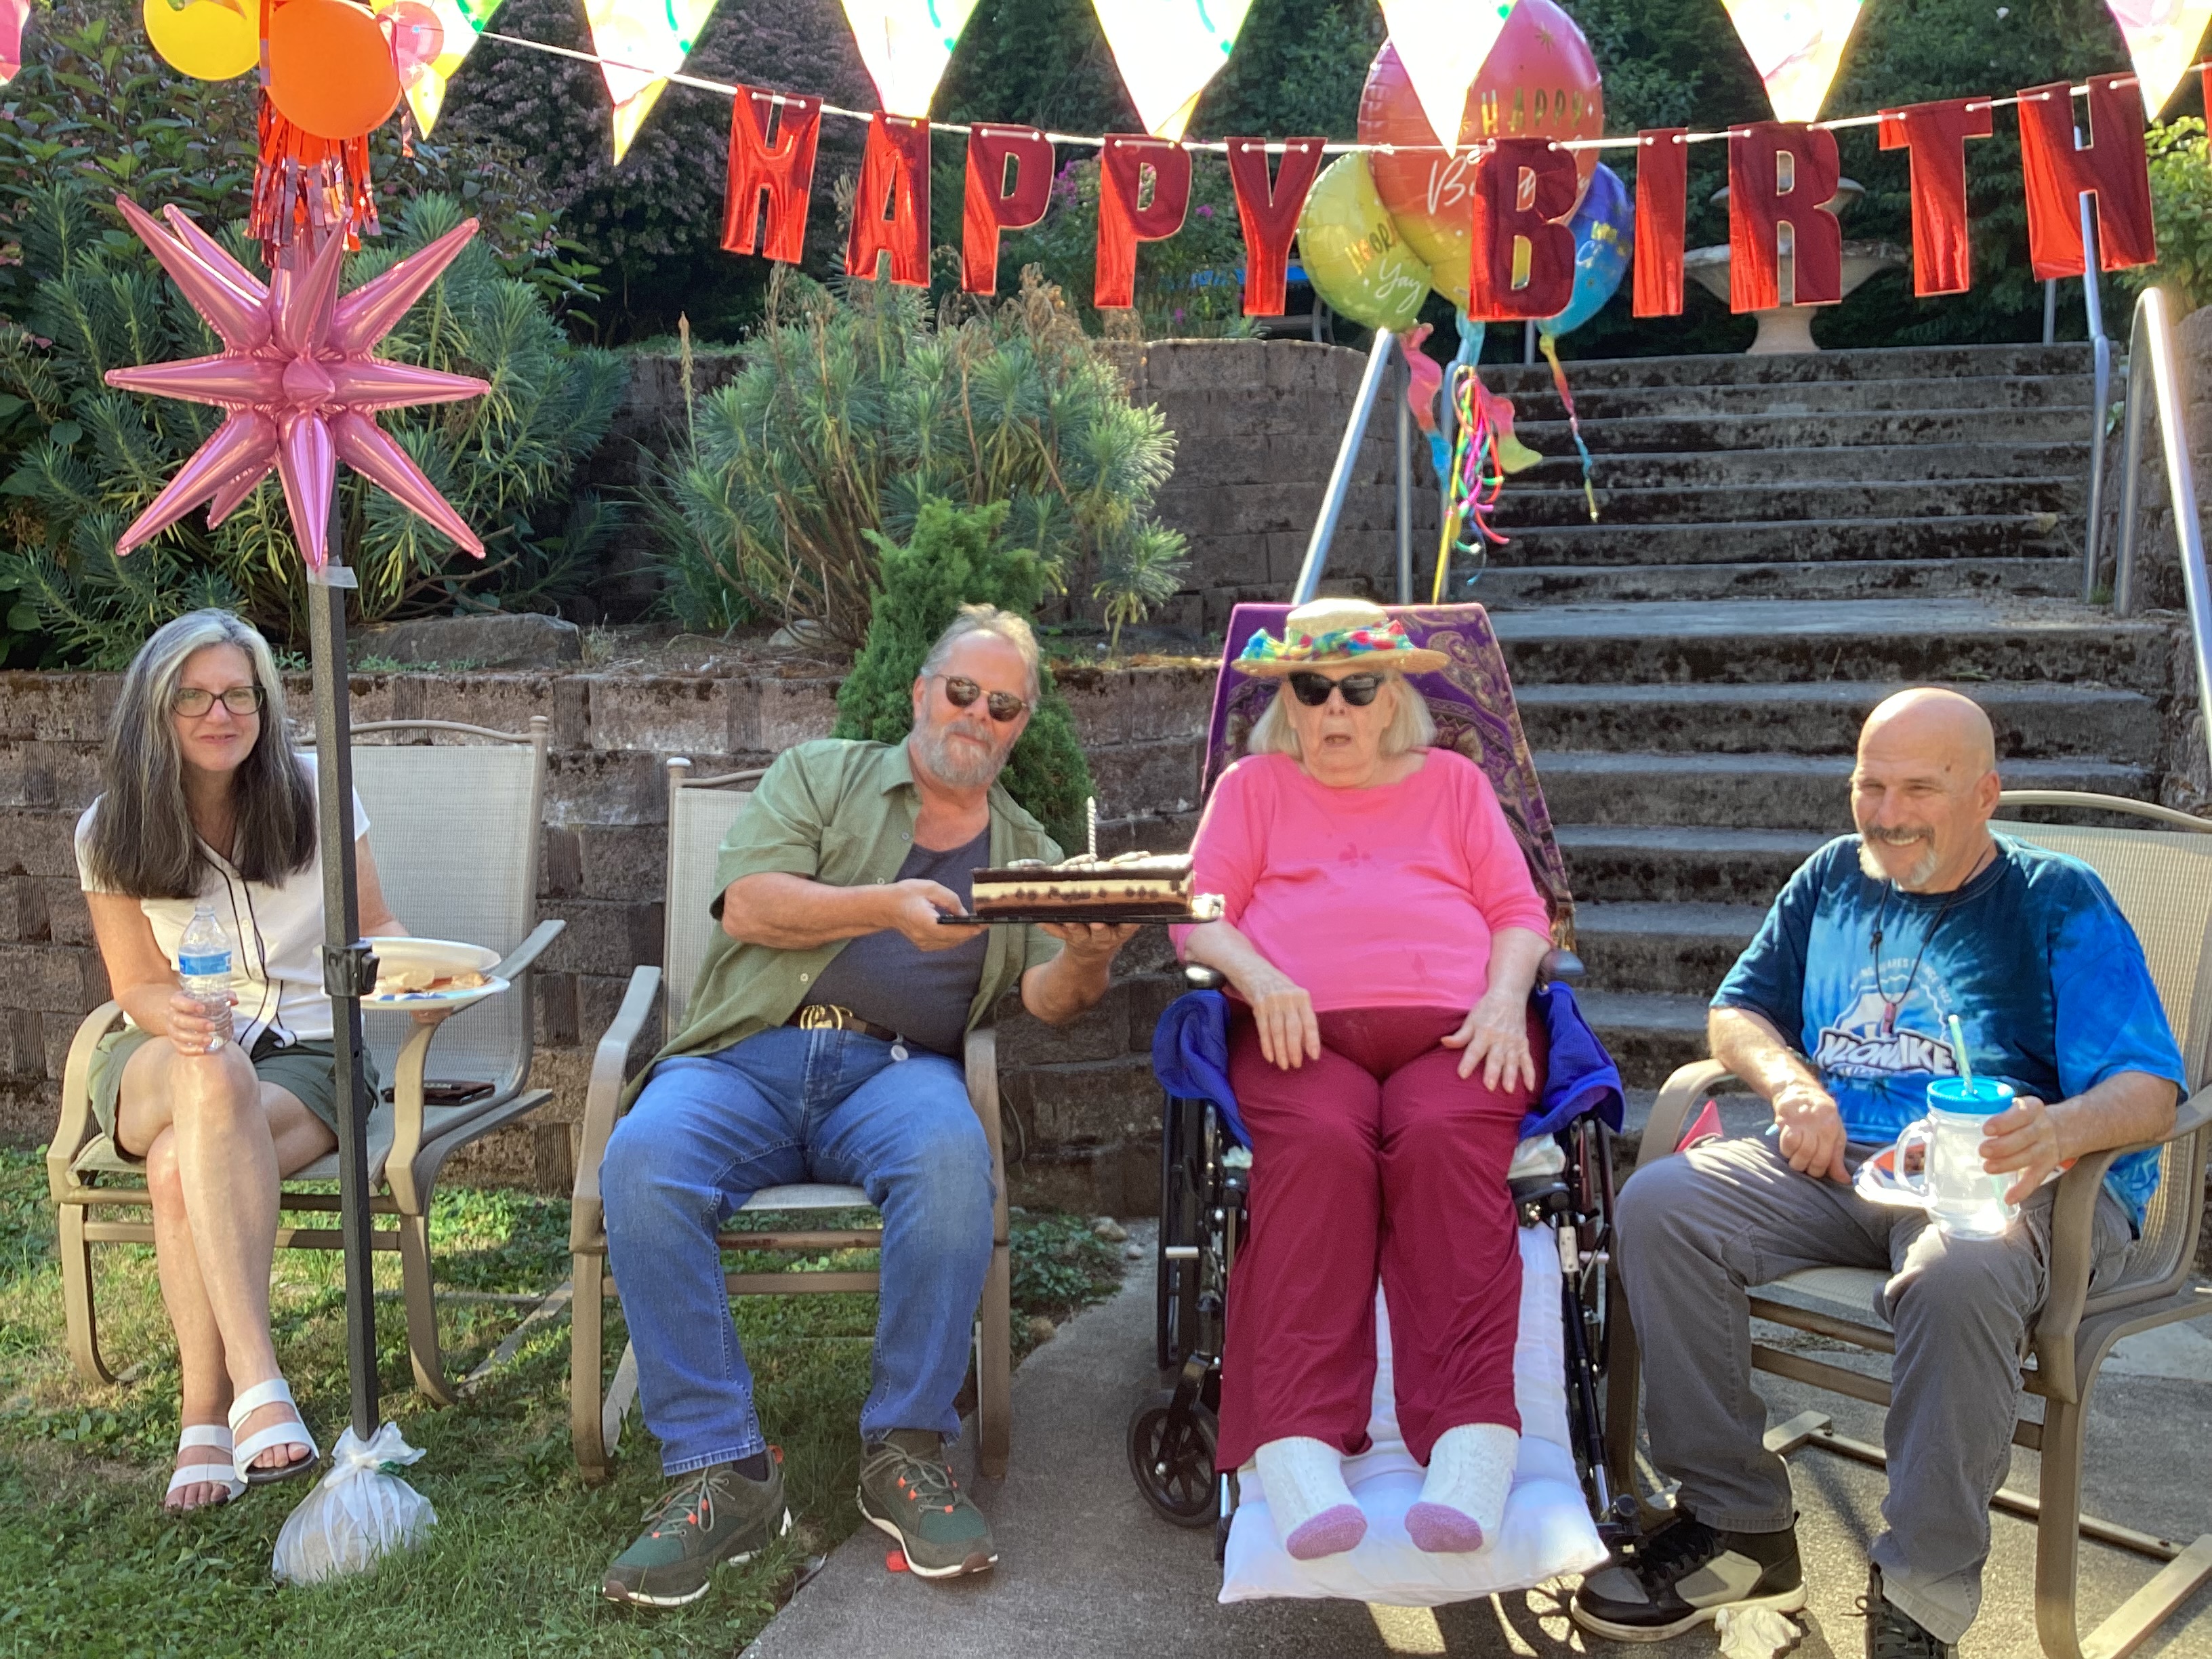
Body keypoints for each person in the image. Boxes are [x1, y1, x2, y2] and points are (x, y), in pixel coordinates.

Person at [1574, 689, 2184, 1658]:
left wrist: (2057, 1129)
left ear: (1985, 795)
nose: (1889, 813)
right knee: (1659, 1204)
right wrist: (1791, 1087)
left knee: (1960, 1273)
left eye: (1920, 789)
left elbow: (2151, 1089)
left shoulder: (2056, 899)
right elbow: (1738, 1012)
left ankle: (1920, 1592)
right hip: (1836, 1164)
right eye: (1871, 784)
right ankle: (1739, 1525)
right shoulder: (1831, 877)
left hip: (2012, 1180)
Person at [597, 606, 1139, 1605]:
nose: (977, 714)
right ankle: (724, 1467)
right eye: (961, 691)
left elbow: (1044, 1004)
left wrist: (1090, 957)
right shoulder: (821, 773)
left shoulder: (1028, 853)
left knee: (949, 1161)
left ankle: (905, 1449)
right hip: (744, 1057)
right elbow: (751, 901)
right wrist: (882, 906)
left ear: (1021, 726)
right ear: (920, 693)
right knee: (643, 1161)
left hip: (898, 1074)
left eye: (1003, 704)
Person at [1174, 596, 1556, 1561]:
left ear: (1393, 698)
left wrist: (1507, 1002)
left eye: (1358, 687)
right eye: (1313, 688)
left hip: (1459, 1032)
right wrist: (1259, 978)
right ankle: (1298, 1456)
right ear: (1287, 701)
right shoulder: (1255, 787)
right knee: (1316, 1155)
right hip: (1299, 1035)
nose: (1335, 708)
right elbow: (1197, 914)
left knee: (1442, 1150)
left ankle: (1472, 1450)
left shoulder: (1455, 786)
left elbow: (1519, 910)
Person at [76, 609, 405, 1513]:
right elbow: (135, 983)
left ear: (264, 703)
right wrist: (178, 1016)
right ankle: (262, 1379)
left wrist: (421, 977)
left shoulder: (315, 794)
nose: (220, 713)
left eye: (239, 693)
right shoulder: (111, 826)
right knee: (209, 1066)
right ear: (158, 708)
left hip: (304, 1052)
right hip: (162, 1050)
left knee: (186, 1161)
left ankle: (205, 1416)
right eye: (195, 696)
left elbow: (377, 931)